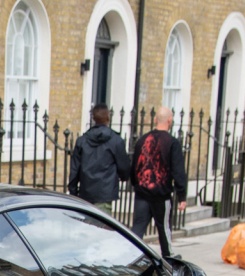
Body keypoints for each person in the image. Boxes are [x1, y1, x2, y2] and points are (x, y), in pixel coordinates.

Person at [129, 106, 187, 258]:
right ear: (170, 120)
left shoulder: (142, 140)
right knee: (163, 229)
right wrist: (182, 195)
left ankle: (129, 256)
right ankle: (168, 259)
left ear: (155, 120)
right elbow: (178, 171)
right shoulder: (172, 142)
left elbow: (135, 166)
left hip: (142, 192)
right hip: (161, 194)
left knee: (138, 228)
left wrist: (136, 185)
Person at [68, 104, 131, 215]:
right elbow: (124, 167)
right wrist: (123, 177)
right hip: (105, 193)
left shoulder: (81, 141)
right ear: (108, 117)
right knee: (101, 229)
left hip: (85, 194)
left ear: (93, 118)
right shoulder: (116, 141)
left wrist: (73, 193)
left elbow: (74, 170)